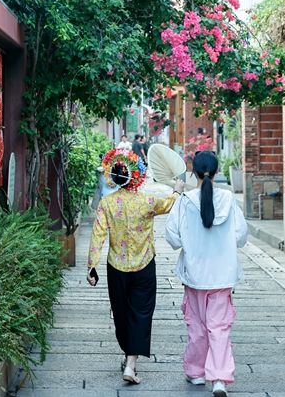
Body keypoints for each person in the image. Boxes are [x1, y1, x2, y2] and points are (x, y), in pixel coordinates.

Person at [87, 160, 186, 384]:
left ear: (114, 178)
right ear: (137, 177)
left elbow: (98, 234)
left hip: (116, 267)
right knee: (141, 312)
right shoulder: (147, 201)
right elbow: (169, 204)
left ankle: (128, 357)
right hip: (144, 265)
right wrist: (177, 190)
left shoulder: (107, 203)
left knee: (121, 313)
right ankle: (131, 364)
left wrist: (92, 265)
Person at [164, 151, 247, 397]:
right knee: (219, 327)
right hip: (223, 275)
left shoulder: (185, 201)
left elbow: (173, 237)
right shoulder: (229, 199)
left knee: (197, 326)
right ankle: (219, 379)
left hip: (194, 274)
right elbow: (240, 236)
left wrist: (191, 242)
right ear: (217, 171)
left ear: (194, 171)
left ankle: (197, 372)